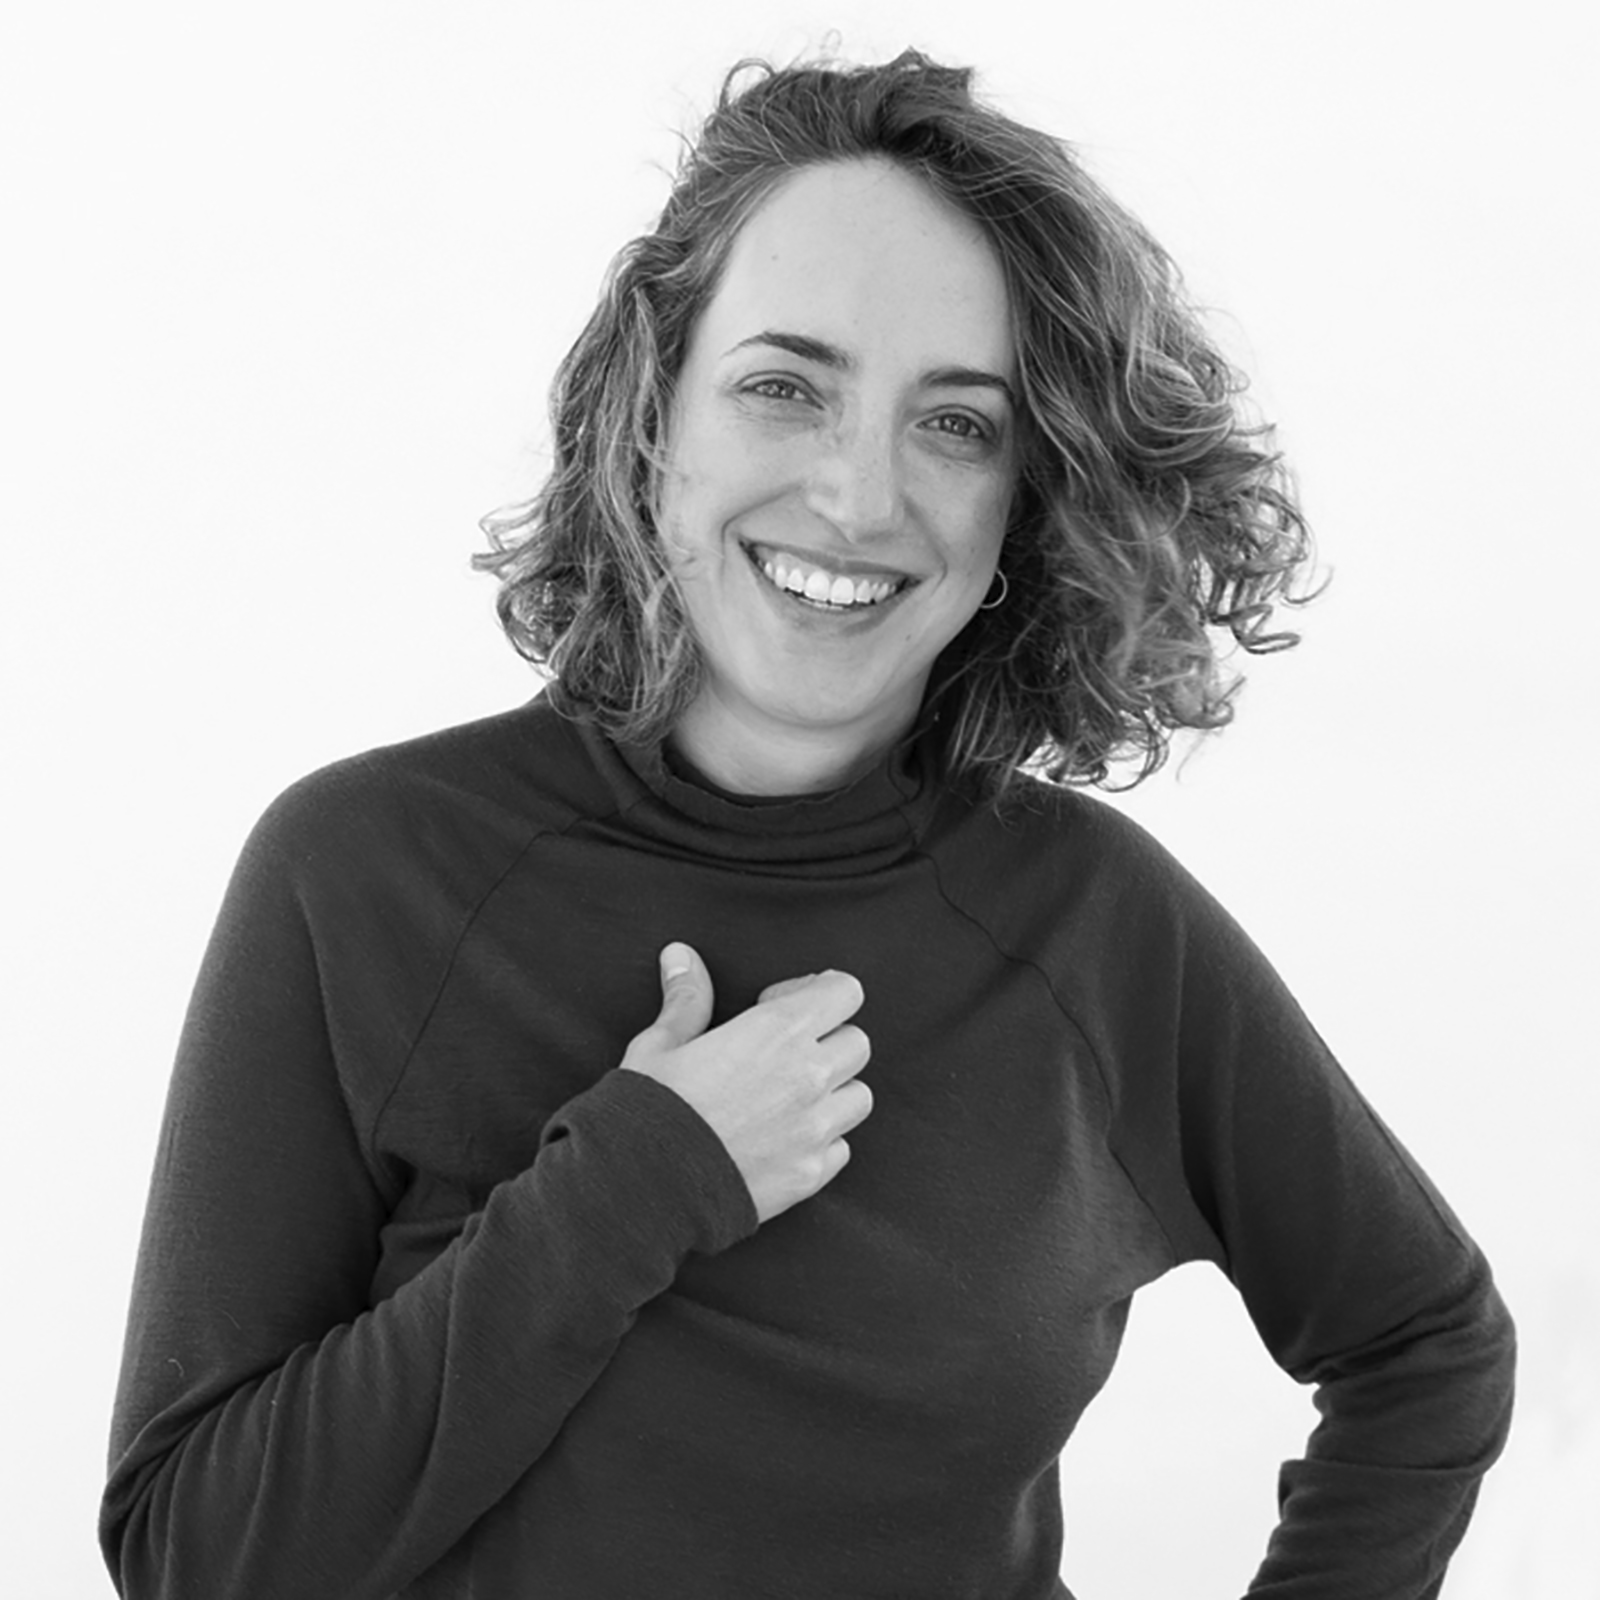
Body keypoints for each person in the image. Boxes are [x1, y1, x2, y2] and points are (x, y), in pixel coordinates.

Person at [99, 49, 1515, 1600]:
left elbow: (1424, 1342)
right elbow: (192, 1557)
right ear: (655, 417)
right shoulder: (362, 874)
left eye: (957, 426)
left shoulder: (1091, 926)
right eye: (786, 386)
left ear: (1024, 505)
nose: (857, 497)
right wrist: (632, 1187)